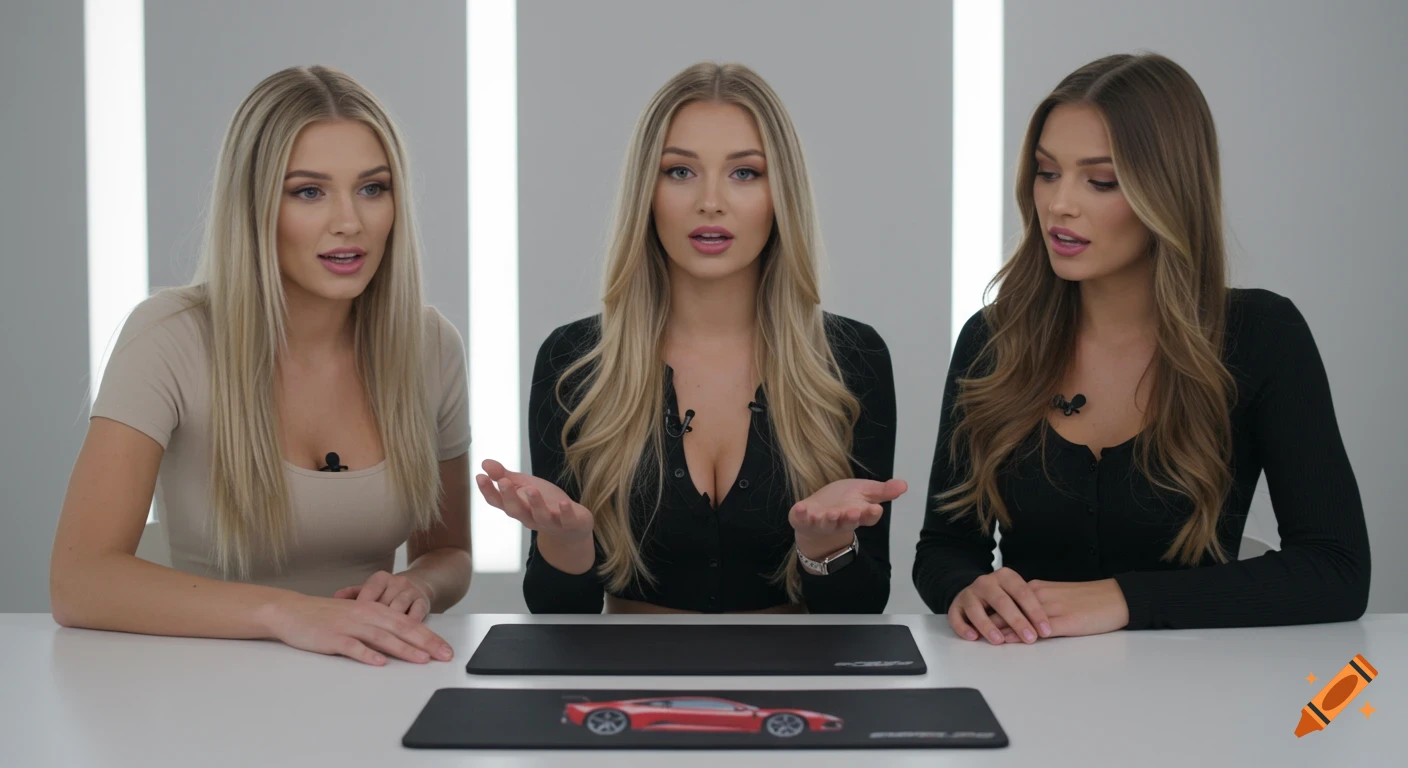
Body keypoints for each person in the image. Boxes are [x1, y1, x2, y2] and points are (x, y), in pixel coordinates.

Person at [914, 53, 1371, 643]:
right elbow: (945, 548)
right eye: (1047, 172)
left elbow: (1336, 570)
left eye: (1099, 181)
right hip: (1025, 687)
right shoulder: (992, 340)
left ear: (1168, 191)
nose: (1058, 204)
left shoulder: (1262, 335)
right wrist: (967, 588)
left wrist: (1124, 600)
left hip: (1196, 701)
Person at [50, 66, 471, 666]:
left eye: (372, 188)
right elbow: (79, 579)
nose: (348, 220)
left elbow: (450, 550)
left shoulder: (431, 346)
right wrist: (286, 614)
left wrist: (420, 586)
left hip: (371, 687)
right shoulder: (168, 337)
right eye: (309, 191)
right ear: (254, 207)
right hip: (208, 689)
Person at [476, 62, 905, 614]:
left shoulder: (852, 360)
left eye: (745, 173)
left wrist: (826, 547)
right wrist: (566, 541)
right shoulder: (574, 362)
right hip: (628, 691)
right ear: (646, 193)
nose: (711, 201)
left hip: (798, 690)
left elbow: (863, 609)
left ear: (782, 195)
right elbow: (558, 616)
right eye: (680, 172)